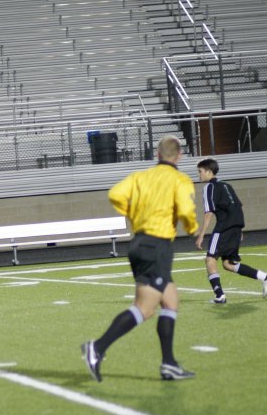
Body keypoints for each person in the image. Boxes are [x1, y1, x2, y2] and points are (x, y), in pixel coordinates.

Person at [81, 135, 199, 382]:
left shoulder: (140, 177)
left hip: (139, 242)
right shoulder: (180, 180)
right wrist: (191, 228)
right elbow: (186, 211)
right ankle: (97, 347)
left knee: (171, 302)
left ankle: (169, 364)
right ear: (179, 156)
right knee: (144, 309)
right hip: (157, 245)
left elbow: (115, 194)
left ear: (157, 154)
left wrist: (133, 212)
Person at [195, 158, 267, 303]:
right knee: (228, 264)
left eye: (200, 171)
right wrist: (240, 230)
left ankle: (219, 296)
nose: (198, 175)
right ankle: (266, 277)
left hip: (223, 227)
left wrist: (201, 235)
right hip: (236, 225)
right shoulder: (227, 186)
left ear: (209, 172)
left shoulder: (209, 187)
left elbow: (208, 213)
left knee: (210, 260)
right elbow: (239, 206)